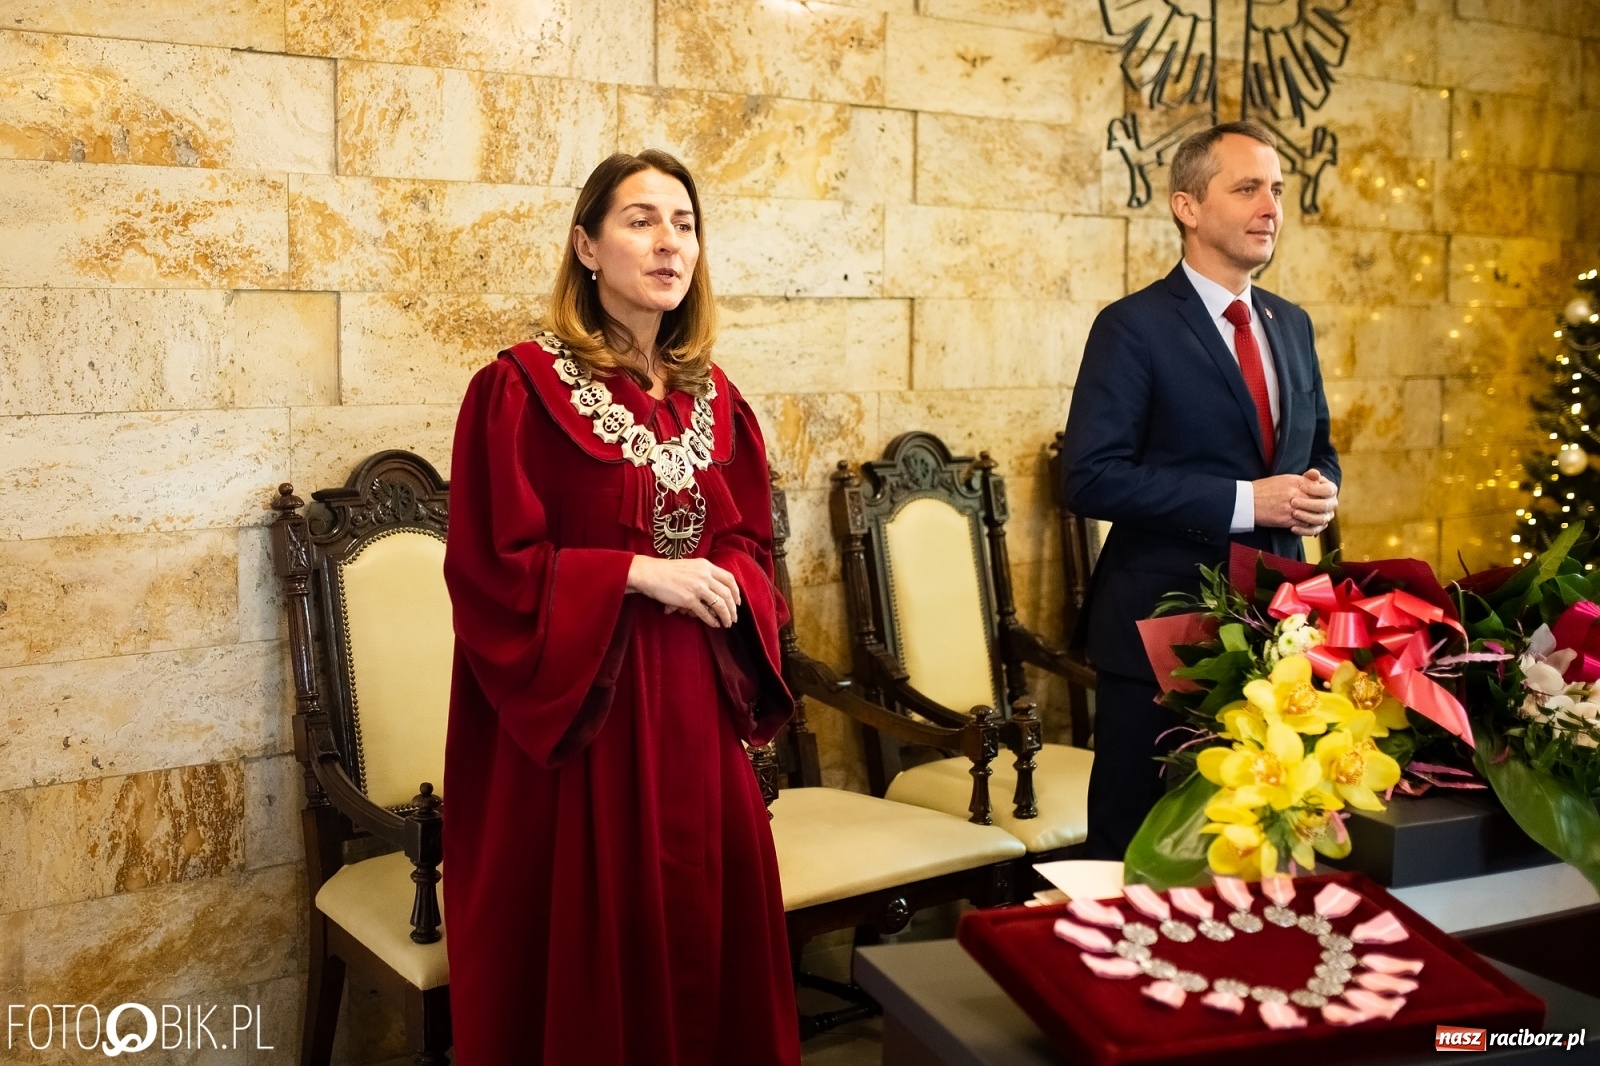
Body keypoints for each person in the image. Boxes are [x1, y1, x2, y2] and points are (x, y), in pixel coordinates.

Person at [442, 149, 802, 1065]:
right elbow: (491, 568)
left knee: (705, 938)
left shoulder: (716, 401)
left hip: (694, 705)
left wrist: (722, 570)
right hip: (581, 722)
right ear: (587, 247)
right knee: (600, 956)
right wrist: (636, 575)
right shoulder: (517, 391)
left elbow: (751, 543)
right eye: (640, 221)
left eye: (683, 224)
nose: (667, 243)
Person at [1060, 121, 1341, 860]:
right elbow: (1090, 475)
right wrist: (1251, 501)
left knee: (1252, 850)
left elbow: (1321, 454)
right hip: (1162, 633)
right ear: (1187, 206)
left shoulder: (1292, 323)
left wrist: (1321, 493)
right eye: (1247, 187)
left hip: (1274, 626)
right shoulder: (1133, 327)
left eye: (1276, 189)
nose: (1270, 206)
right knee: (1140, 848)